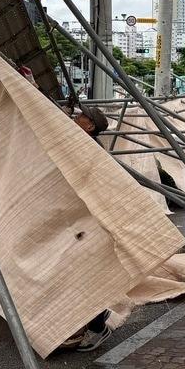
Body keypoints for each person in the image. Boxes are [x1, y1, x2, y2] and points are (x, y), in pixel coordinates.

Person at [60, 103, 114, 351]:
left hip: (88, 223)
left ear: (89, 126)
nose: (77, 118)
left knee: (82, 277)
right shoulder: (87, 144)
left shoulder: (88, 148)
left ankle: (97, 329)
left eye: (81, 116)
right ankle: (98, 319)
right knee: (84, 275)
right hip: (85, 223)